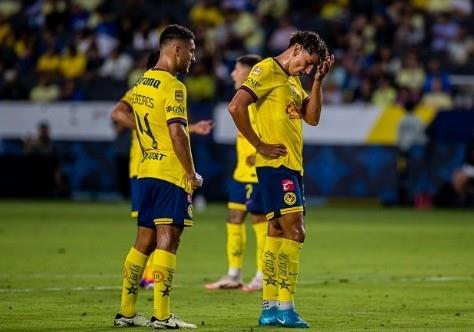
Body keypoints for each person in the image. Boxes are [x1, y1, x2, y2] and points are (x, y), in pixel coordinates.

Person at [228, 31, 333, 328]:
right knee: (296, 232)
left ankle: (270, 307)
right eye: (308, 63)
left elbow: (311, 118)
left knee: (275, 232)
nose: (308, 69)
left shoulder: (292, 80)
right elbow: (236, 106)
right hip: (277, 167)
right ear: (297, 49)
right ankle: (287, 308)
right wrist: (259, 144)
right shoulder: (266, 69)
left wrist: (318, 82)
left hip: (290, 167)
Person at [113, 24, 203, 329]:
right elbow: (177, 132)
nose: (193, 57)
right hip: (168, 172)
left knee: (143, 241)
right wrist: (190, 173)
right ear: (176, 49)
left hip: (146, 170)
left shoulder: (142, 82)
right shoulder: (174, 86)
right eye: (191, 50)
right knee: (170, 239)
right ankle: (162, 316)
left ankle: (126, 312)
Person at [205, 54, 267, 292]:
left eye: (237, 69)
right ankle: (233, 274)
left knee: (259, 221)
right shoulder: (242, 98)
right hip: (240, 172)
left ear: (249, 72)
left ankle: (262, 274)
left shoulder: (259, 98)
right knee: (234, 218)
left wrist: (260, 150)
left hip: (256, 173)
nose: (232, 74)